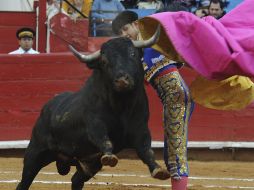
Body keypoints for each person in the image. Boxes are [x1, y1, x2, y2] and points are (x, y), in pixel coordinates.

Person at [112, 7, 194, 190]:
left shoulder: (156, 37)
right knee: (171, 150)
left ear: (135, 24)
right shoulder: (136, 53)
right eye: (120, 33)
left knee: (175, 151)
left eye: (126, 29)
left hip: (176, 97)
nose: (124, 35)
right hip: (172, 99)